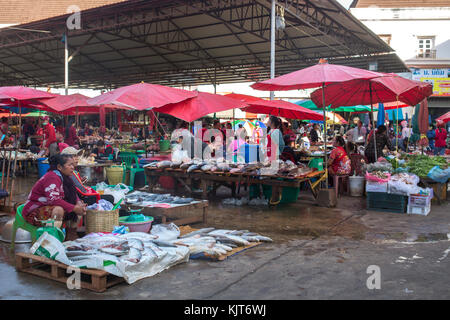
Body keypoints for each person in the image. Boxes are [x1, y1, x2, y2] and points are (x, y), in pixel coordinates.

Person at [21, 154, 87, 240]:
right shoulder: (52, 177)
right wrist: (74, 208)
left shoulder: (66, 178)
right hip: (34, 212)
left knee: (80, 206)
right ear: (59, 167)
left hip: (49, 207)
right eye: (69, 165)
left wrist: (78, 203)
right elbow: (54, 200)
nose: (73, 167)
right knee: (59, 210)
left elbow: (73, 194)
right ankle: (52, 240)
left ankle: (70, 236)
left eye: (73, 164)